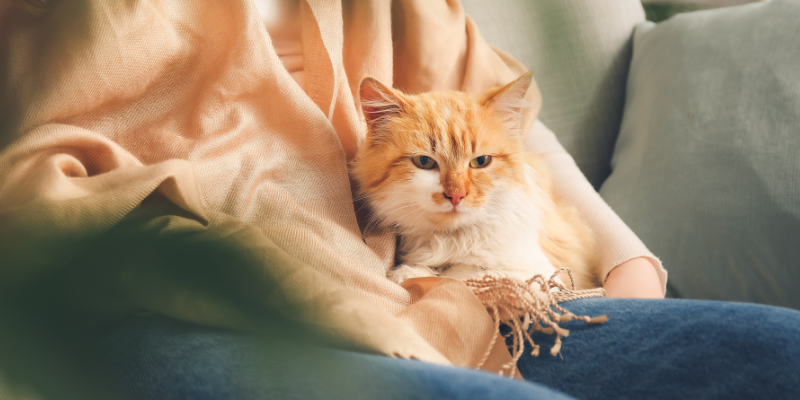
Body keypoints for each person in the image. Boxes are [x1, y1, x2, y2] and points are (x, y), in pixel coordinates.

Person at [0, 1, 798, 399]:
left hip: (442, 293)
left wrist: (631, 271)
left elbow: (513, 130)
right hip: (200, 305)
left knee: (779, 351)